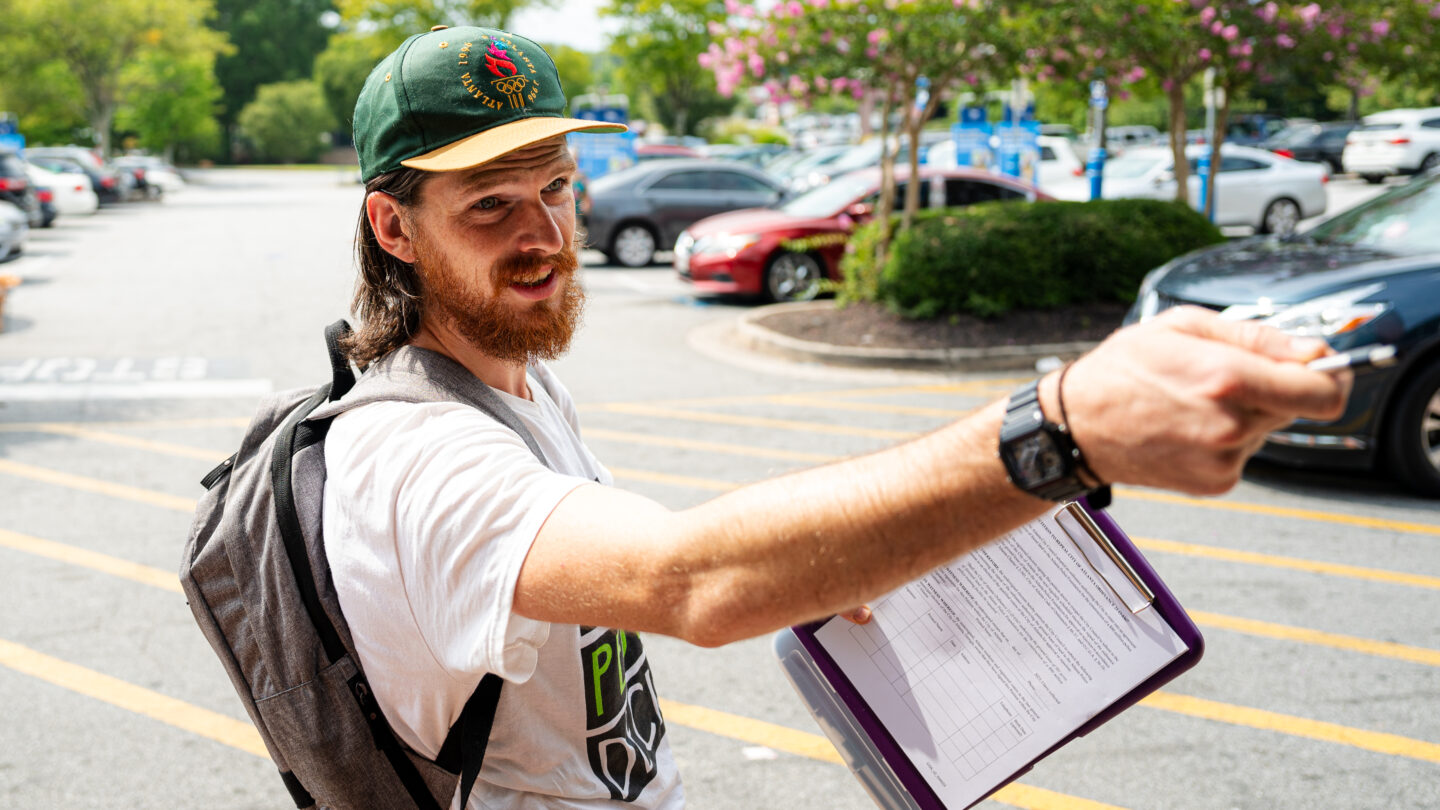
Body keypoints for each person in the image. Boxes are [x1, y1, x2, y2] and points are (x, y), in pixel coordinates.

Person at [325, 26, 1351, 809]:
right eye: (491, 206)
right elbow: (681, 577)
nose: (547, 234)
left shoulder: (520, 380)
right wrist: (1062, 428)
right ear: (394, 228)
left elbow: (613, 567)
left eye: (557, 186)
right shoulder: (411, 454)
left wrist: (830, 561)